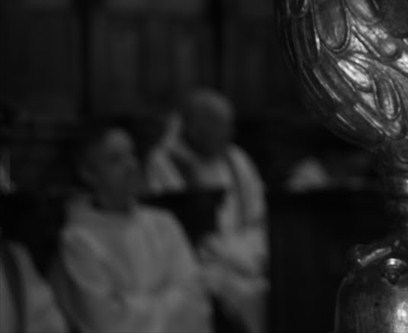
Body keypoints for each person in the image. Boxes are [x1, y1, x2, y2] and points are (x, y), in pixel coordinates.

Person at [48, 119, 212, 332]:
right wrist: (168, 304)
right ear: (88, 173)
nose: (131, 166)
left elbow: (195, 301)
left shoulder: (164, 223)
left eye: (132, 155)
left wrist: (130, 305)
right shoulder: (78, 240)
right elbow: (106, 323)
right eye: (115, 160)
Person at [145, 90, 267, 333]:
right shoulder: (165, 162)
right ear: (194, 128)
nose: (228, 134)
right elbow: (176, 225)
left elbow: (257, 215)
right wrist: (227, 254)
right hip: (199, 260)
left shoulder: (235, 158)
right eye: (219, 126)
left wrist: (247, 253)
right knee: (246, 295)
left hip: (245, 256)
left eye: (228, 126)